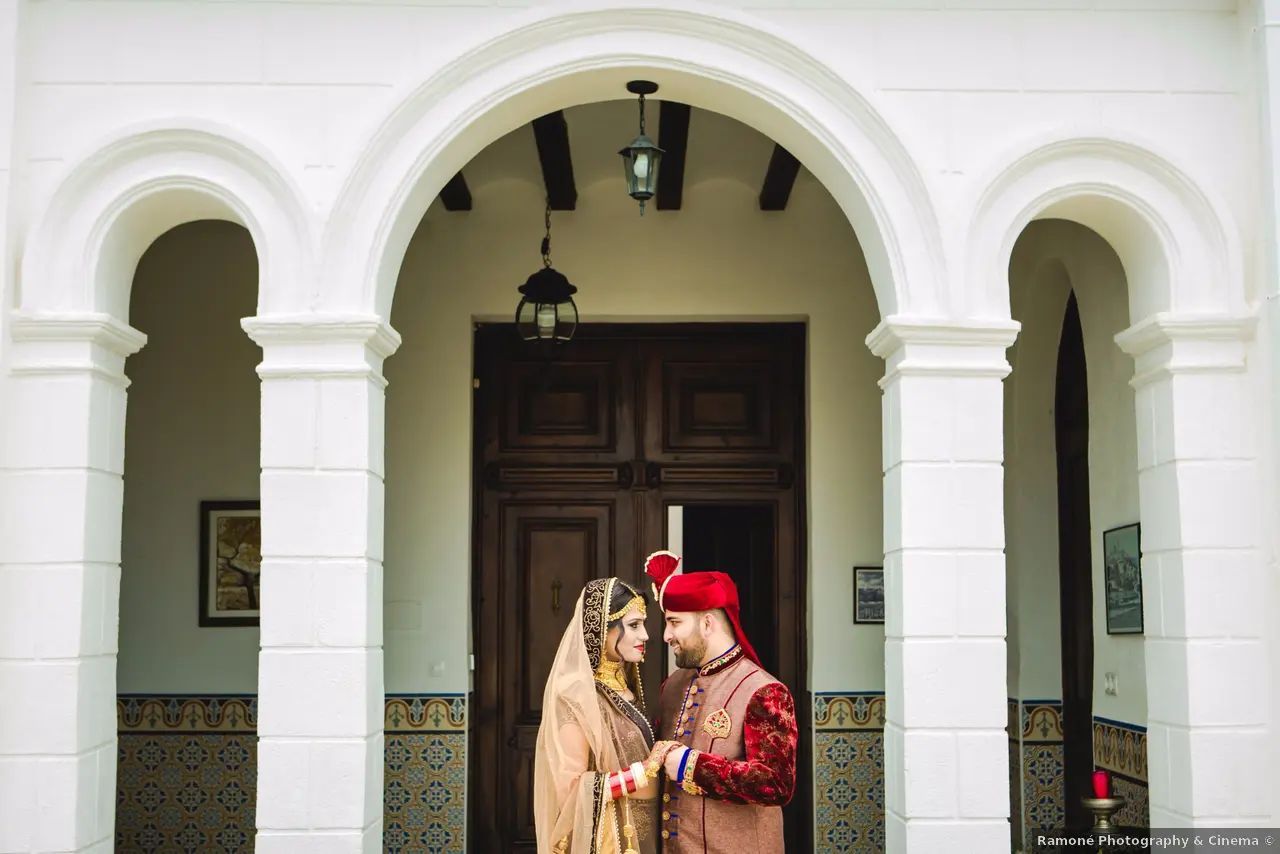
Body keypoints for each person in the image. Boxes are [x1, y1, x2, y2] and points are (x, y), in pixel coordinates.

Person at [642, 551, 798, 853]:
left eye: (674, 622)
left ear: (708, 624)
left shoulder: (764, 691)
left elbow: (777, 784)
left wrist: (691, 765)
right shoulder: (672, 686)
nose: (666, 635)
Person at [535, 577, 662, 854]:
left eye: (643, 624)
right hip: (609, 840)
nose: (645, 636)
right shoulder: (574, 698)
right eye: (633, 625)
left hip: (645, 832)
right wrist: (644, 771)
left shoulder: (624, 689)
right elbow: (572, 792)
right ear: (602, 630)